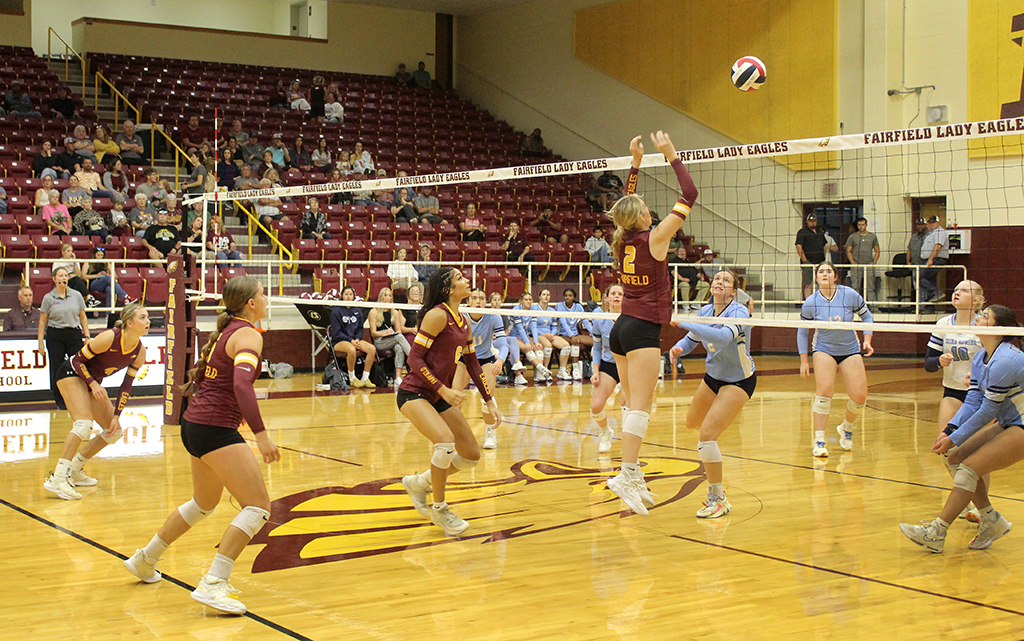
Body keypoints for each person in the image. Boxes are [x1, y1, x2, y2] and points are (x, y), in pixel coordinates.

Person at [123, 276, 279, 615]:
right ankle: (214, 583)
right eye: (262, 295)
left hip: (194, 425)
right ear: (251, 303)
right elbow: (241, 385)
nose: (266, 299)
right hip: (215, 429)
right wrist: (261, 433)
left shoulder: (226, 332)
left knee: (203, 503)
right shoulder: (248, 334)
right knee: (257, 507)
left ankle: (145, 559)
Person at [606, 130, 697, 516]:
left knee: (633, 405)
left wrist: (637, 164)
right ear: (643, 216)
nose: (648, 207)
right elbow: (689, 194)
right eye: (644, 205)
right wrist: (671, 155)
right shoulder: (656, 239)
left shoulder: (623, 238)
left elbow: (625, 205)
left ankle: (632, 473)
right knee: (640, 407)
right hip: (642, 331)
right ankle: (626, 473)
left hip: (622, 328)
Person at [899, 304, 1023, 554]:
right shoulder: (981, 357)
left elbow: (987, 411)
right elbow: (973, 401)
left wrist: (954, 437)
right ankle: (992, 521)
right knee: (955, 459)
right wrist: (950, 431)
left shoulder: (1007, 359)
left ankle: (936, 532)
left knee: (967, 469)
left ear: (998, 329)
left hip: (1020, 423)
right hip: (1009, 421)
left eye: (985, 317)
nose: (978, 318)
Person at [398, 267, 502, 536]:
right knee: (444, 442)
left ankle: (419, 483)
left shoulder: (464, 321)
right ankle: (440, 508)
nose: (467, 280)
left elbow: (472, 363)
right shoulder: (436, 316)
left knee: (471, 454)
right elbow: (414, 359)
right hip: (415, 393)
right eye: (459, 278)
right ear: (448, 289)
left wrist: (489, 399)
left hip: (438, 394)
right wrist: (443, 389)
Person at [669, 270, 756, 517]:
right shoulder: (706, 311)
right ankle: (715, 439)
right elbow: (691, 339)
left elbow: (720, 336)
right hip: (713, 378)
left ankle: (718, 498)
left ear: (733, 291)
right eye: (717, 279)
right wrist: (678, 349)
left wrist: (685, 321)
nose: (719, 282)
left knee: (706, 436)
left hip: (739, 381)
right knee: (691, 423)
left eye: (726, 280)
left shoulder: (738, 311)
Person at [43, 304, 149, 500]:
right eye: (142, 317)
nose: (148, 321)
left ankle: (75, 469)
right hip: (71, 373)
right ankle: (57, 478)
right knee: (83, 424)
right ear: (129, 322)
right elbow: (77, 361)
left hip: (92, 383)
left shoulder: (140, 352)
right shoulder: (110, 337)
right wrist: (93, 384)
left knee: (114, 431)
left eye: (147, 317)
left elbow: (126, 385)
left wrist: (117, 415)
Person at [798, 262, 873, 458]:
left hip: (850, 349)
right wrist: (804, 360)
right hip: (823, 349)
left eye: (828, 271)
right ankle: (819, 440)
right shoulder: (811, 302)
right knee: (824, 392)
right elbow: (802, 331)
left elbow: (867, 317)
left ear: (835, 276)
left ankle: (846, 427)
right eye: (821, 271)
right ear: (816, 278)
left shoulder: (849, 294)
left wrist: (867, 339)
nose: (824, 274)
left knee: (860, 397)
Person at [924, 280, 986, 520]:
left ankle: (980, 508)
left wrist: (978, 375)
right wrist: (939, 362)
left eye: (964, 290)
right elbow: (928, 363)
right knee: (945, 448)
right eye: (956, 289)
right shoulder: (943, 324)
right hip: (951, 392)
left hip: (979, 395)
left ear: (978, 300)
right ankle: (972, 501)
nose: (957, 292)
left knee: (975, 453)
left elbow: (995, 359)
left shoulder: (984, 324)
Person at [450, 288, 508, 449]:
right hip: (463, 359)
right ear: (468, 302)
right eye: (474, 298)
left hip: (485, 360)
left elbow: (504, 343)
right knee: (454, 397)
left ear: (486, 302)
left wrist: (500, 361)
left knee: (487, 397)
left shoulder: (493, 317)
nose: (478, 301)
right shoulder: (460, 316)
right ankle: (457, 435)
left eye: (482, 298)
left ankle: (490, 434)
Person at [38, 267, 91, 409]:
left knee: (78, 366)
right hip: (55, 334)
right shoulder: (48, 298)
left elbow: (83, 317)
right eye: (60, 276)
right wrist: (40, 342)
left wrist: (87, 336)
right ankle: (60, 401)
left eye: (66, 276)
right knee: (57, 367)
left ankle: (79, 397)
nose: (63, 278)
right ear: (54, 279)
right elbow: (42, 321)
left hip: (74, 333)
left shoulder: (77, 295)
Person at [589, 284, 625, 453]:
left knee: (627, 404)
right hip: (608, 365)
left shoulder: (630, 319)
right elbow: (596, 348)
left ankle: (629, 444)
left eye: (620, 294)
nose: (616, 296)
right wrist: (595, 372)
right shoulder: (600, 320)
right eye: (613, 293)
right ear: (607, 298)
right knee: (596, 406)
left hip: (628, 366)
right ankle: (605, 432)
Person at [330, 286, 377, 390]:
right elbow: (336, 332)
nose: (348, 296)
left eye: (350, 294)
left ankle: (365, 378)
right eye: (346, 294)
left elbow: (360, 329)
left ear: (353, 296)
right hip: (340, 341)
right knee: (351, 350)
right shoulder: (336, 311)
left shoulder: (357, 310)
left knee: (372, 349)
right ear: (342, 296)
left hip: (354, 340)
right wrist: (350, 340)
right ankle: (352, 378)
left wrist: (356, 339)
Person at [369, 288, 411, 386]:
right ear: (381, 297)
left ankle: (397, 378)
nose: (387, 298)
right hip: (380, 340)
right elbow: (373, 333)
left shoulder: (394, 312)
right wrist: (385, 334)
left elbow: (399, 330)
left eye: (389, 295)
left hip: (393, 337)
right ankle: (413, 358)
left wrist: (392, 333)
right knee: (399, 337)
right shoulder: (374, 312)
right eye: (385, 295)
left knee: (399, 347)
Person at [508, 291, 552, 383]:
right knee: (527, 348)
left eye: (530, 300)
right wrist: (527, 343)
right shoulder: (516, 310)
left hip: (525, 336)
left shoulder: (532, 310)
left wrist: (536, 341)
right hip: (513, 336)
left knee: (538, 348)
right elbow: (520, 329)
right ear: (521, 301)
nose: (528, 302)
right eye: (526, 300)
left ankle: (539, 375)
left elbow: (534, 327)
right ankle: (542, 369)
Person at [795, 213, 837, 299]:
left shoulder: (820, 232)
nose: (813, 223)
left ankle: (821, 300)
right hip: (808, 261)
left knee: (822, 282)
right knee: (808, 283)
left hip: (820, 261)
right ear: (807, 222)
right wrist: (804, 260)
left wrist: (824, 259)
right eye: (811, 221)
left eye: (814, 221)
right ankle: (808, 301)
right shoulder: (802, 232)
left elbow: (824, 245)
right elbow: (798, 246)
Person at [555, 288, 592, 381]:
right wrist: (572, 336)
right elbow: (563, 322)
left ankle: (594, 368)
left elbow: (585, 320)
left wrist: (593, 332)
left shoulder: (578, 307)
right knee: (574, 343)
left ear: (574, 297)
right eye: (566, 295)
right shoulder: (559, 306)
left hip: (575, 334)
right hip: (563, 334)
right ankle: (575, 369)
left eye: (570, 296)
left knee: (595, 341)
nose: (567, 297)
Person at [845, 216, 880, 302]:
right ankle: (854, 306)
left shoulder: (872, 236)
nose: (861, 227)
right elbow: (848, 250)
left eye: (863, 224)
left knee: (870, 287)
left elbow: (877, 250)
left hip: (869, 264)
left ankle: (873, 307)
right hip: (856, 264)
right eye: (859, 225)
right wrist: (853, 263)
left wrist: (874, 262)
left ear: (866, 225)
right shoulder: (852, 237)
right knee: (855, 287)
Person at [533, 289, 565, 377]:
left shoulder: (552, 310)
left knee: (566, 346)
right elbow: (532, 327)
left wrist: (552, 334)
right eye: (544, 294)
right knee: (548, 346)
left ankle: (562, 371)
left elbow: (554, 326)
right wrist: (543, 334)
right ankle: (544, 370)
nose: (546, 296)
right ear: (539, 296)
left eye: (548, 294)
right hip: (538, 334)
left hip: (549, 334)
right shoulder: (534, 308)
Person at [919, 215, 949, 303]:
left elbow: (938, 246)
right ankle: (929, 306)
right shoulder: (930, 233)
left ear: (938, 223)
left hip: (936, 259)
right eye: (930, 222)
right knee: (930, 281)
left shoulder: (940, 232)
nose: (931, 224)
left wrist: (930, 259)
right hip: (928, 259)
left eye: (933, 222)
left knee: (918, 276)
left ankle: (936, 292)